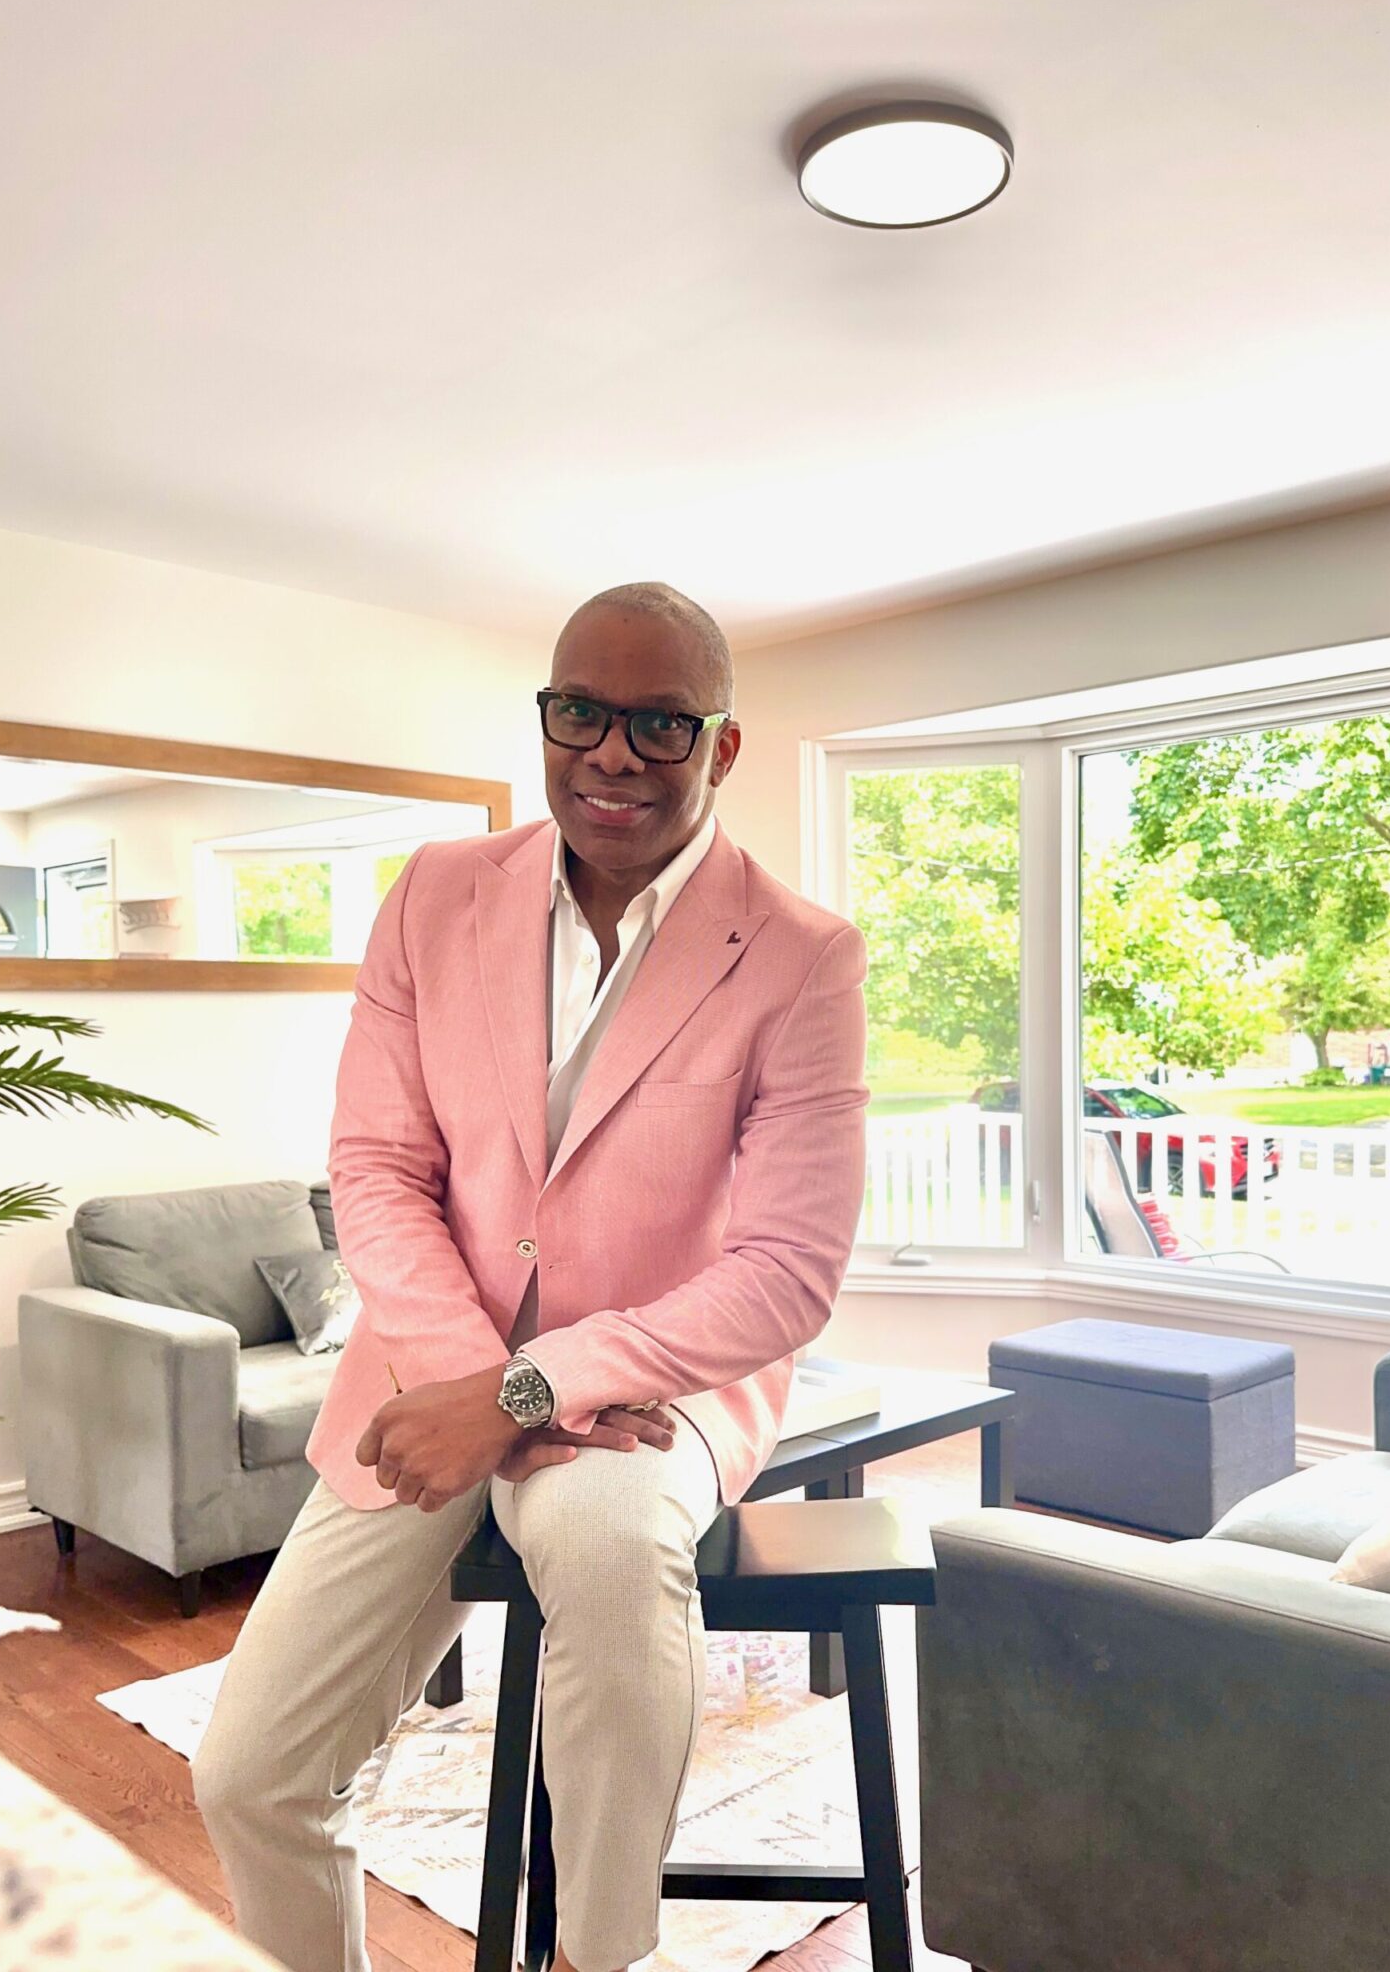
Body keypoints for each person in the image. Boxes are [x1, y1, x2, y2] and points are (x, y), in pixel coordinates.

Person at [192, 581, 869, 1972]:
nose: (613, 753)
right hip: (427, 1366)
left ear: (722, 745)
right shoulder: (436, 896)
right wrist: (472, 1381)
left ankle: (594, 1958)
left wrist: (532, 1388)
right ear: (547, 716)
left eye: (661, 723)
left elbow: (787, 1274)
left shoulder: (802, 956)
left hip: (651, 1389)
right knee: (250, 1775)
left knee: (612, 1555)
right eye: (581, 713)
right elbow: (377, 1169)